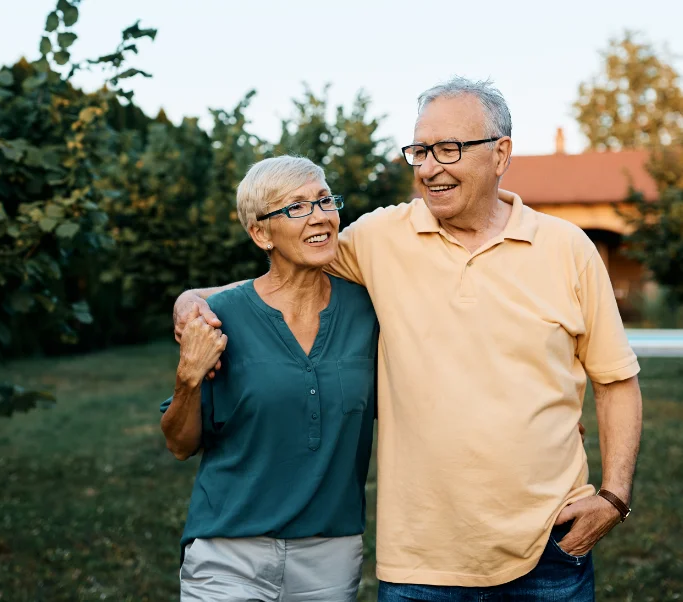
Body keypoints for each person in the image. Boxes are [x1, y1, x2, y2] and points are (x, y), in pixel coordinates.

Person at [173, 77, 643, 601]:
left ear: (501, 154)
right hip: (421, 563)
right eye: (420, 150)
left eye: (449, 149)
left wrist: (615, 495)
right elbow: (287, 270)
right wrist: (192, 297)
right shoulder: (380, 238)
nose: (429, 167)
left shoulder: (567, 248)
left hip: (551, 545)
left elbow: (616, 379)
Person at [160, 155, 379, 602]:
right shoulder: (222, 318)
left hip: (331, 553)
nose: (319, 216)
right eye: (296, 207)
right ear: (261, 233)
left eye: (323, 200)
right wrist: (188, 380)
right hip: (229, 549)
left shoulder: (369, 310)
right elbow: (180, 445)